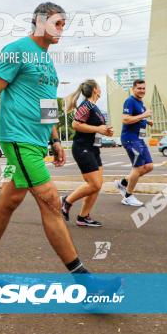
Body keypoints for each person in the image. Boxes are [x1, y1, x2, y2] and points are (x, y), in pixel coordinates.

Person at [0, 2, 89, 274]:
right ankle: (85, 281)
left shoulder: (47, 62)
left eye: (63, 25)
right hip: (18, 138)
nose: (61, 30)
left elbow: (47, 105)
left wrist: (56, 140)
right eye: (57, 23)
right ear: (40, 21)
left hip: (36, 143)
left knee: (9, 200)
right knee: (50, 202)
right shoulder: (16, 51)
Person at [60, 80, 114, 227]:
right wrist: (98, 129)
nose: (101, 89)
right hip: (82, 148)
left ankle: (83, 217)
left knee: (98, 185)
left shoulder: (94, 107)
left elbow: (95, 127)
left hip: (94, 148)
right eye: (100, 87)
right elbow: (75, 124)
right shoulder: (86, 105)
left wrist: (105, 131)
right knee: (94, 183)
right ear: (95, 90)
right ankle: (66, 201)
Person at [116, 79, 154, 206]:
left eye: (143, 88)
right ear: (133, 89)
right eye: (139, 88)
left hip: (139, 139)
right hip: (130, 138)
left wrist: (146, 121)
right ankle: (128, 196)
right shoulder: (130, 101)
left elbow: (137, 118)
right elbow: (125, 119)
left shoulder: (140, 103)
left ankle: (123, 183)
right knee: (137, 168)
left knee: (149, 166)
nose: (142, 90)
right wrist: (143, 115)